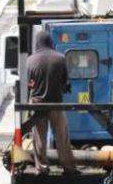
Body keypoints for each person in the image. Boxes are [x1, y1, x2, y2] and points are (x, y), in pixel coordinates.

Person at [28, 30, 78, 174]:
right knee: (62, 137)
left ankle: (42, 168)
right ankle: (68, 167)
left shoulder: (30, 60)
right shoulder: (60, 58)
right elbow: (64, 82)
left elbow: (28, 84)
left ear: (37, 43)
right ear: (50, 41)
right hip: (56, 103)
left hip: (38, 105)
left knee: (39, 139)